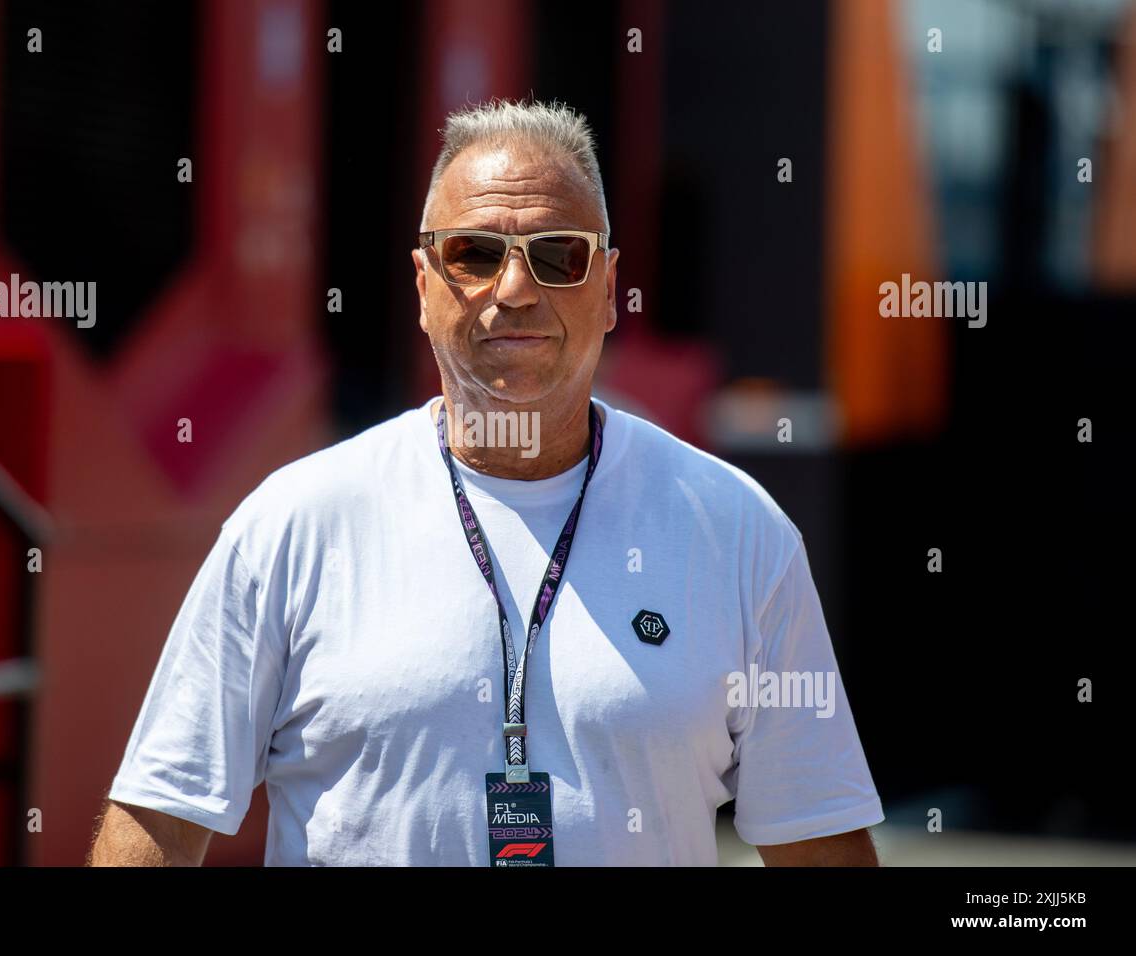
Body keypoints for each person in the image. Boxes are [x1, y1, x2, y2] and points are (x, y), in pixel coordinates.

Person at [89, 99, 884, 867]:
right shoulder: (293, 524)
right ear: (424, 285)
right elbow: (160, 817)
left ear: (608, 290)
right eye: (474, 254)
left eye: (558, 254)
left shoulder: (739, 535)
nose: (514, 290)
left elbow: (817, 840)